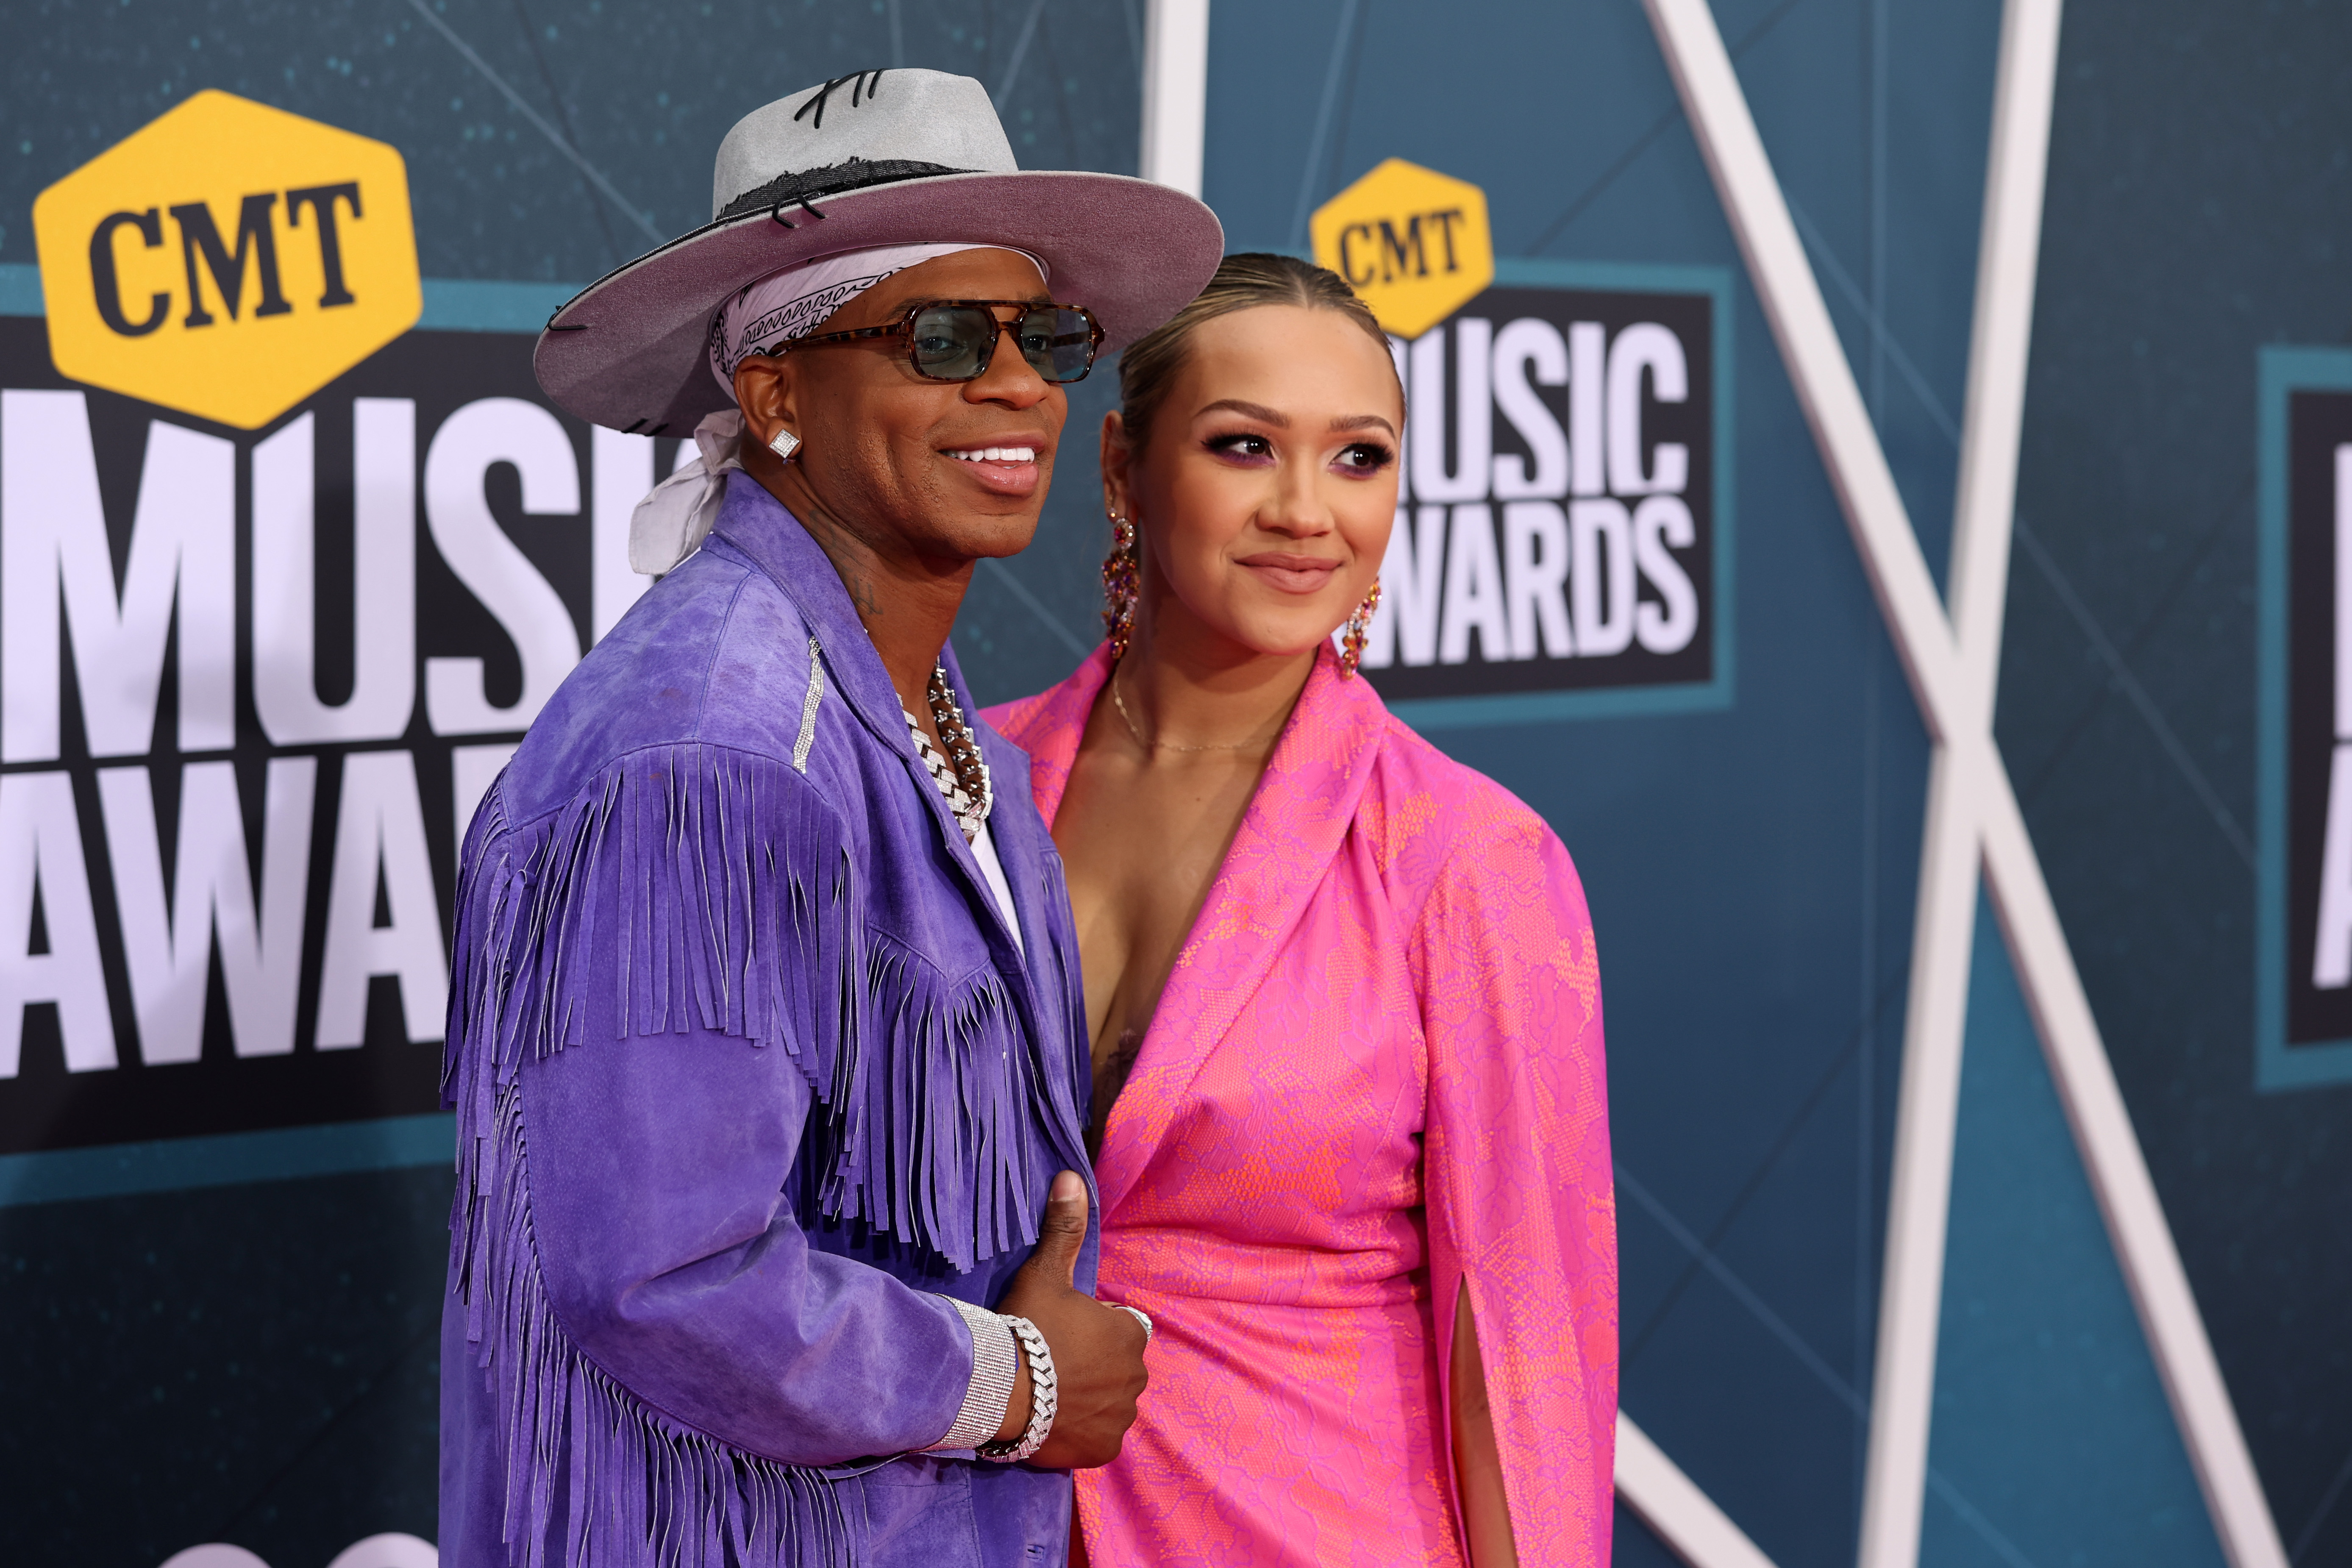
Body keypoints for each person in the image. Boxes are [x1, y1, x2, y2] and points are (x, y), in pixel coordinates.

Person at [439, 70, 1222, 1568]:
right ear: (777, 393)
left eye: (1041, 335)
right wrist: (1021, 1382)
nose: (1018, 386)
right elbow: (666, 1272)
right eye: (940, 338)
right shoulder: (713, 752)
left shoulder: (913, 709)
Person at [984, 255, 1618, 1566]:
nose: (1303, 512)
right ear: (1121, 469)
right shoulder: (956, 794)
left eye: (1358, 458)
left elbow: (1515, 1361)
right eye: (1243, 445)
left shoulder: (1468, 860)